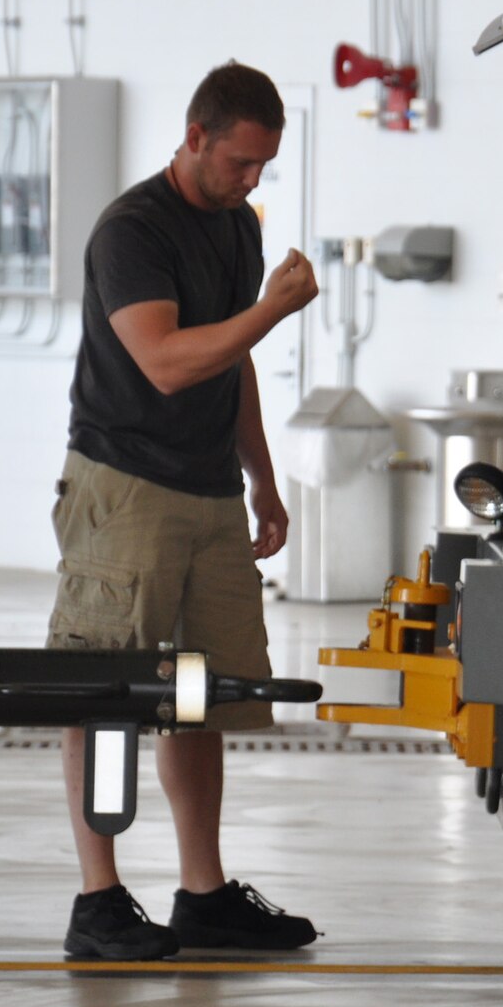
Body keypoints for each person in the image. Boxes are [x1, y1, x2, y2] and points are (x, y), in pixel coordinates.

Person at [48, 61, 321, 961]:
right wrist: (274, 311)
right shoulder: (133, 230)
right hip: (126, 488)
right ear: (196, 137)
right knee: (105, 689)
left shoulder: (239, 227)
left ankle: (203, 896)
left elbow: (227, 362)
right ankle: (99, 901)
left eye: (264, 167)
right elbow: (166, 359)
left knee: (200, 700)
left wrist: (262, 478)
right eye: (242, 162)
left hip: (208, 490)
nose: (252, 182)